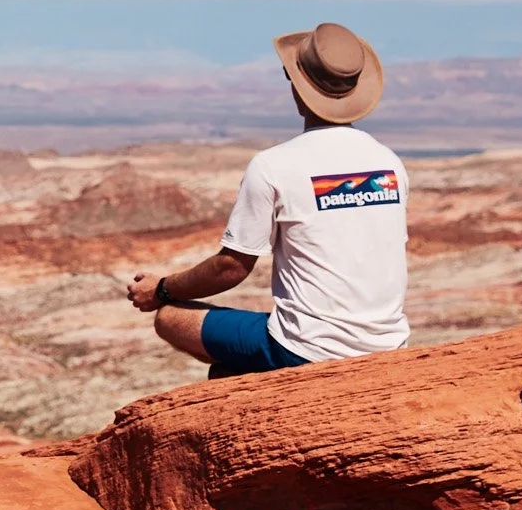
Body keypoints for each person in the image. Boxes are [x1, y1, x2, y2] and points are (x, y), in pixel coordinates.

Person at [127, 22, 408, 378]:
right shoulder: (389, 163)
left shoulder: (275, 165)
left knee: (172, 319)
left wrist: (163, 289)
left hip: (307, 349)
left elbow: (230, 268)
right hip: (388, 346)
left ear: (296, 85)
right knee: (227, 368)